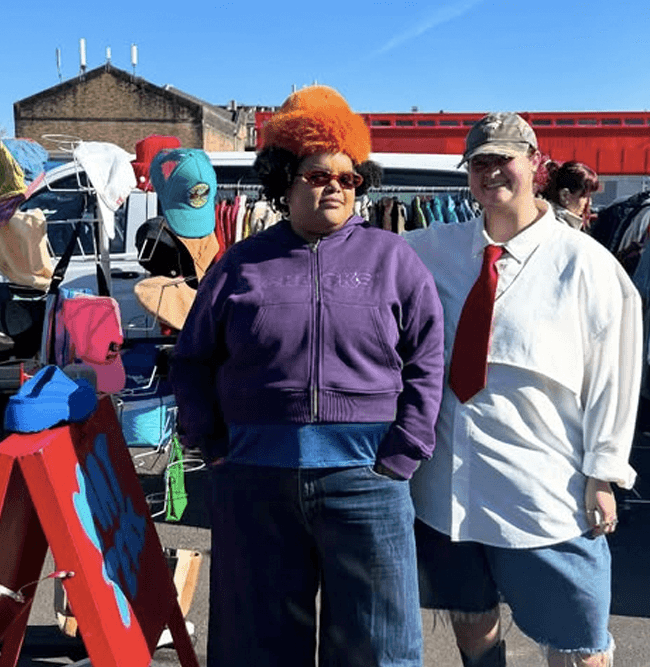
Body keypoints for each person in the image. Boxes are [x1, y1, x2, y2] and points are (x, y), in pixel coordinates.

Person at [169, 85, 444, 667]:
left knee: (378, 645)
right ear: (286, 180)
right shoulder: (240, 264)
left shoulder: (393, 260)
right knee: (256, 644)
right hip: (255, 481)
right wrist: (211, 441)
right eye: (320, 176)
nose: (336, 189)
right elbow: (193, 358)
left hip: (367, 479)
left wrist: (405, 449)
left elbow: (426, 361)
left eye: (348, 179)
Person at [405, 113, 642, 667]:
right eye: (479, 163)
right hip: (446, 491)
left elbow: (616, 375)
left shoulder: (585, 265)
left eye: (502, 160)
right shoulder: (425, 250)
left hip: (542, 491)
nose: (491, 174)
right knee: (472, 622)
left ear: (535, 163)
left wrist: (602, 473)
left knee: (579, 645)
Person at [539, 160, 600, 231]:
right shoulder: (558, 228)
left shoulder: (543, 218)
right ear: (564, 195)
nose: (589, 203)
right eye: (584, 197)